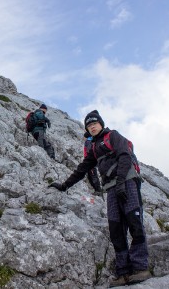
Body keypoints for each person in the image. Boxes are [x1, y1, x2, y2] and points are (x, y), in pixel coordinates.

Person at [49, 110, 150, 287]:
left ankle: (141, 268)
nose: (92, 126)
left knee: (134, 223)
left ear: (101, 124)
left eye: (94, 123)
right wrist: (64, 186)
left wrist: (120, 182)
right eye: (89, 125)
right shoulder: (94, 147)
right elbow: (82, 169)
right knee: (116, 230)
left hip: (127, 183)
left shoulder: (113, 136)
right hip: (111, 190)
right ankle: (123, 273)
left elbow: (125, 156)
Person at [83, 131, 102, 196]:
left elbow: (88, 151)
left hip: (91, 161)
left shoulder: (88, 141)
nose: (83, 138)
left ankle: (98, 190)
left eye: (84, 137)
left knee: (93, 174)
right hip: (91, 161)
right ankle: (97, 189)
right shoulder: (91, 141)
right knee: (91, 174)